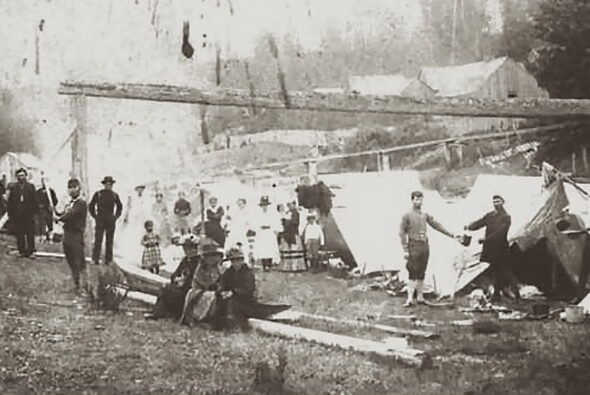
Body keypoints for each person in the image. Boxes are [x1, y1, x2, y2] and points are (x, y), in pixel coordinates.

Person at [399, 191, 462, 307]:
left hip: (424, 246)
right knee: (413, 271)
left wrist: (452, 235)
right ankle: (409, 299)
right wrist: (405, 249)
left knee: (422, 271)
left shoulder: (424, 214)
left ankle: (420, 297)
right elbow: (402, 232)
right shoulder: (407, 215)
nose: (419, 202)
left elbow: (436, 225)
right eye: (416, 199)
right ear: (412, 200)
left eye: (420, 199)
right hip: (413, 245)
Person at [213, 247, 290, 330]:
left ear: (242, 260)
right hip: (230, 299)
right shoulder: (229, 272)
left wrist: (234, 292)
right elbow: (222, 283)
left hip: (246, 302)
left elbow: (248, 289)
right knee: (219, 301)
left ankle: (240, 326)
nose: (236, 263)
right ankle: (218, 324)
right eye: (233, 261)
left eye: (238, 260)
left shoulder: (248, 272)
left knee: (237, 304)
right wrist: (222, 291)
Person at [465, 195, 519, 302]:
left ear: (503, 202)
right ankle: (497, 294)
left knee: (505, 271)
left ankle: (516, 293)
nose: (496, 204)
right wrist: (469, 226)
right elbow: (480, 222)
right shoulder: (490, 215)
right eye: (494, 202)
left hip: (501, 248)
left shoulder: (506, 217)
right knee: (494, 271)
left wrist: (485, 239)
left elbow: (499, 233)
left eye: (498, 201)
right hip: (491, 248)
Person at [179, 237, 224, 326]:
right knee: (191, 294)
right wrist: (202, 287)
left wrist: (217, 288)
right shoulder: (201, 268)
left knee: (212, 298)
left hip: (215, 292)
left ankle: (208, 320)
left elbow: (223, 282)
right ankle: (190, 318)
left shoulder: (221, 268)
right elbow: (197, 280)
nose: (211, 259)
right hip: (200, 290)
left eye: (214, 256)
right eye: (208, 256)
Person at [55, 178, 88, 294]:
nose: (72, 190)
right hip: (67, 235)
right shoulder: (70, 203)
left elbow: (71, 215)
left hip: (76, 236)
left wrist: (59, 218)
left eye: (74, 187)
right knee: (71, 262)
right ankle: (77, 286)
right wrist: (55, 212)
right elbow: (64, 213)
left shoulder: (81, 203)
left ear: (79, 189)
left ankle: (85, 287)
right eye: (70, 188)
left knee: (79, 262)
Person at [89, 176, 123, 265]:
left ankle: (109, 260)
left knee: (109, 241)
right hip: (100, 219)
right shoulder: (98, 194)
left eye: (110, 184)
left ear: (112, 185)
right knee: (98, 240)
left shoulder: (115, 195)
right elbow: (91, 205)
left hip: (110, 220)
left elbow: (120, 207)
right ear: (104, 185)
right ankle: (95, 259)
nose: (108, 186)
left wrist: (115, 216)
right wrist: (95, 216)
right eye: (107, 184)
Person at [7, 168, 37, 257]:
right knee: (19, 233)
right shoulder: (14, 187)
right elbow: (10, 202)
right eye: (19, 176)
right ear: (17, 177)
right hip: (17, 214)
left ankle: (31, 251)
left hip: (28, 213)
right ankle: (21, 250)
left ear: (26, 176)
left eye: (23, 175)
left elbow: (35, 200)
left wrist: (33, 212)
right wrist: (11, 214)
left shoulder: (31, 187)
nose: (21, 177)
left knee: (30, 232)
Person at [252, 196, 281, 271]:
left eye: (265, 205)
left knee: (270, 248)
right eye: (263, 205)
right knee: (262, 248)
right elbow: (254, 223)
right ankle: (264, 265)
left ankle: (269, 264)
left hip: (269, 232)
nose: (264, 207)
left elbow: (276, 222)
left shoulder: (272, 213)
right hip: (261, 232)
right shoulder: (258, 214)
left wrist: (275, 229)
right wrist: (258, 228)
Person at [278, 201, 306, 272]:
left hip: (293, 233)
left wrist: (287, 221)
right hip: (287, 233)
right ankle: (287, 267)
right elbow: (283, 222)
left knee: (295, 250)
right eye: (288, 205)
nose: (290, 207)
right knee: (287, 250)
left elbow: (295, 222)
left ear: (294, 205)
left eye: (291, 205)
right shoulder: (287, 213)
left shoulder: (296, 213)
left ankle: (296, 266)